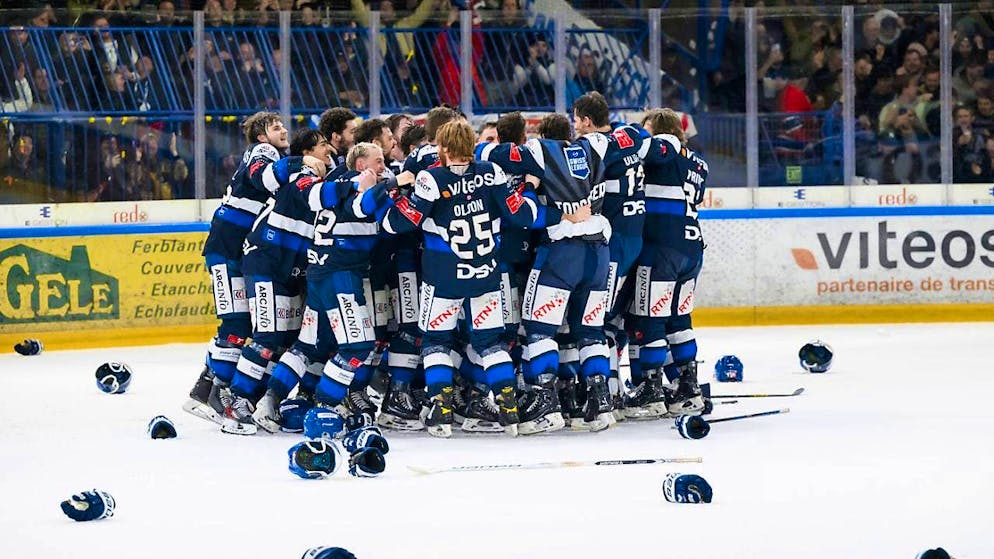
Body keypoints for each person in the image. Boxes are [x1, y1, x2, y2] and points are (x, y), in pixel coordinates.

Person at [382, 121, 540, 438]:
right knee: (491, 343)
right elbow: (525, 216)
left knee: (436, 341)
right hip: (486, 274)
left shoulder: (431, 177)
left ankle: (441, 408)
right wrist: (531, 190)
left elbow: (398, 223)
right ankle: (508, 406)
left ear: (443, 147)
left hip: (443, 278)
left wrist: (394, 196)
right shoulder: (493, 171)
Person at [261, 143, 410, 432]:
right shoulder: (357, 189)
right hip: (340, 276)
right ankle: (325, 407)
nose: (384, 165)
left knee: (307, 345)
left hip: (321, 273)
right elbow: (363, 205)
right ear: (360, 165)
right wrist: (393, 183)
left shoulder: (336, 184)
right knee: (358, 346)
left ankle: (270, 401)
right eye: (378, 162)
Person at [184, 112, 292, 428]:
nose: (283, 130)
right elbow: (263, 176)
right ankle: (215, 392)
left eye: (283, 125)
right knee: (235, 323)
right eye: (276, 127)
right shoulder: (265, 153)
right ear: (261, 136)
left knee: (240, 322)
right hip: (225, 247)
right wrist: (295, 164)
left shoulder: (267, 152)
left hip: (231, 247)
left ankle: (205, 390)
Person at [224, 129, 332, 434]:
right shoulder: (301, 175)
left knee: (282, 341)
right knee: (267, 337)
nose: (330, 152)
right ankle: (237, 403)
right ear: (308, 153)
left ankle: (258, 400)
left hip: (288, 269)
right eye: (324, 146)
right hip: (268, 264)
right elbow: (312, 193)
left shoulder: (314, 177)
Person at [515, 112, 614, 433]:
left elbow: (493, 156)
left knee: (540, 329)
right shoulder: (596, 145)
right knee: (591, 330)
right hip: (599, 253)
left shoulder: (538, 150)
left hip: (562, 253)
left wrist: (531, 186)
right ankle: (600, 401)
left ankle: (546, 400)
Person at [626, 108, 708, 418]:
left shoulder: (661, 153)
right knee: (679, 318)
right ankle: (688, 386)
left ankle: (651, 389)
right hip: (692, 247)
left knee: (651, 318)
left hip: (661, 248)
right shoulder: (699, 163)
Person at [572, 91, 649, 407]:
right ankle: (615, 386)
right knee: (613, 316)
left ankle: (611, 391)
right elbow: (643, 135)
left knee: (598, 317)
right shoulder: (630, 136)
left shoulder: (596, 146)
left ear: (587, 121)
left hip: (614, 242)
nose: (575, 126)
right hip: (635, 237)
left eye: (577, 120)